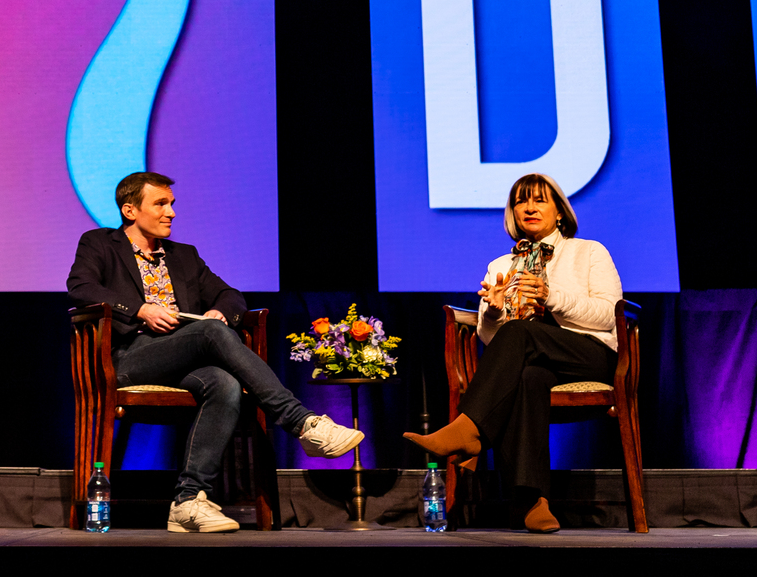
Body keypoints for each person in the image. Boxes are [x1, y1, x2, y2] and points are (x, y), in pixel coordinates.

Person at [68, 171, 366, 533]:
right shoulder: (100, 244)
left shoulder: (183, 256)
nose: (171, 212)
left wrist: (222, 311)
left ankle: (188, 500)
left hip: (180, 359)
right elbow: (81, 288)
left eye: (172, 204)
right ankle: (301, 422)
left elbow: (230, 295)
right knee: (210, 332)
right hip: (128, 360)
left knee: (223, 382)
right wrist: (139, 309)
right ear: (130, 210)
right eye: (160, 204)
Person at [402, 172, 622, 534]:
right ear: (512, 212)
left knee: (520, 333)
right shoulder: (501, 266)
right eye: (521, 201)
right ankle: (533, 500)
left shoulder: (589, 252)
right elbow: (495, 342)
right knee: (527, 377)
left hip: (590, 353)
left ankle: (469, 429)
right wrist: (490, 312)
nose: (529, 207)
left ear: (560, 212)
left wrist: (551, 297)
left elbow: (606, 314)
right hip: (537, 360)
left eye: (539, 199)